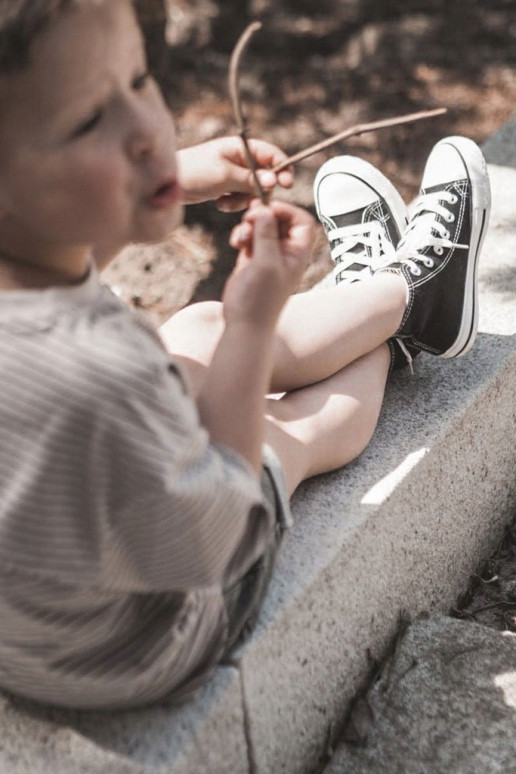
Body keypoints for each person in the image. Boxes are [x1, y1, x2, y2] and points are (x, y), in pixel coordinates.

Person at [0, 0, 490, 710]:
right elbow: (217, 538)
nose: (145, 130)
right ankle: (413, 299)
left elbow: (65, 255)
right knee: (287, 431)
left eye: (137, 80)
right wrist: (253, 326)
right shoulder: (97, 374)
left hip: (41, 614)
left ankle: (383, 297)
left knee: (198, 329)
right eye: (87, 121)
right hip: (139, 637)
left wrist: (172, 177)